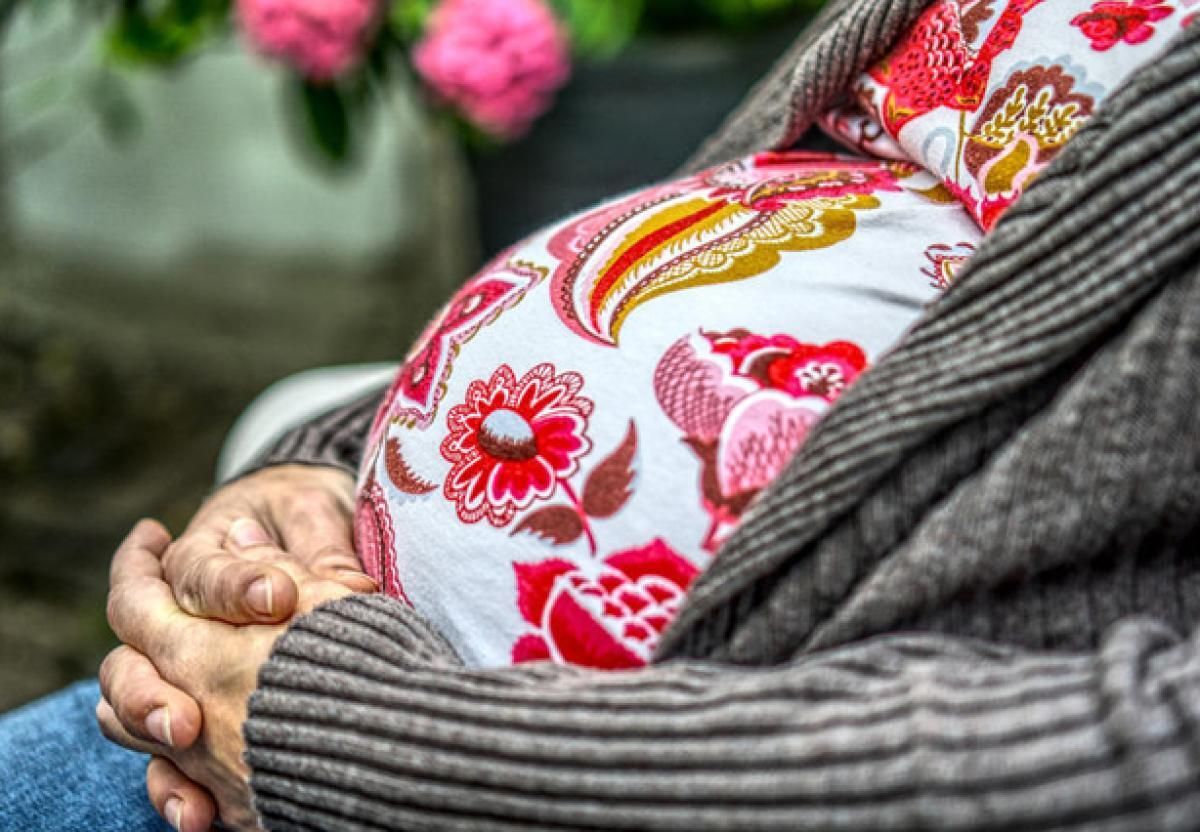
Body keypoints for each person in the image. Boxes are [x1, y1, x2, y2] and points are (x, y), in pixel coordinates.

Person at [5, 0, 1200, 829]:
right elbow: (799, 200)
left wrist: (367, 742)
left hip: (509, 772)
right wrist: (323, 474)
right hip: (311, 692)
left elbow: (1144, 758)